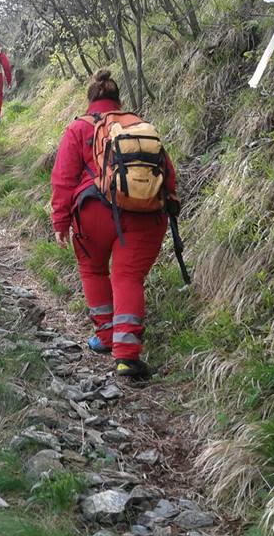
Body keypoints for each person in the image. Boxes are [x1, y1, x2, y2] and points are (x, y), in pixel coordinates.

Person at [50, 68, 178, 380]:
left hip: (93, 212)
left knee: (93, 270)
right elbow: (168, 174)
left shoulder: (78, 128)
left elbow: (63, 179)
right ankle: (126, 357)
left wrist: (60, 220)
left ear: (90, 100)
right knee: (128, 278)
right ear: (118, 101)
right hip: (145, 212)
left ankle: (105, 338)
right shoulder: (138, 126)